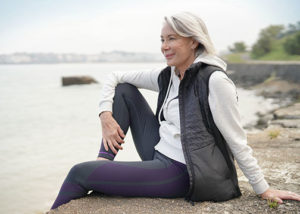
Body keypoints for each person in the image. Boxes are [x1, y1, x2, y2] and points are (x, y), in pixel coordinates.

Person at [50, 12, 300, 210]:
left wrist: (262, 188)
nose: (164, 46)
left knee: (79, 173)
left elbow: (237, 140)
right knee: (125, 89)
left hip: (182, 171)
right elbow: (114, 77)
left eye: (172, 39)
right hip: (158, 151)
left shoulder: (214, 81)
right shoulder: (169, 75)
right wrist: (104, 115)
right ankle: (103, 161)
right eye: (162, 39)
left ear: (193, 41)